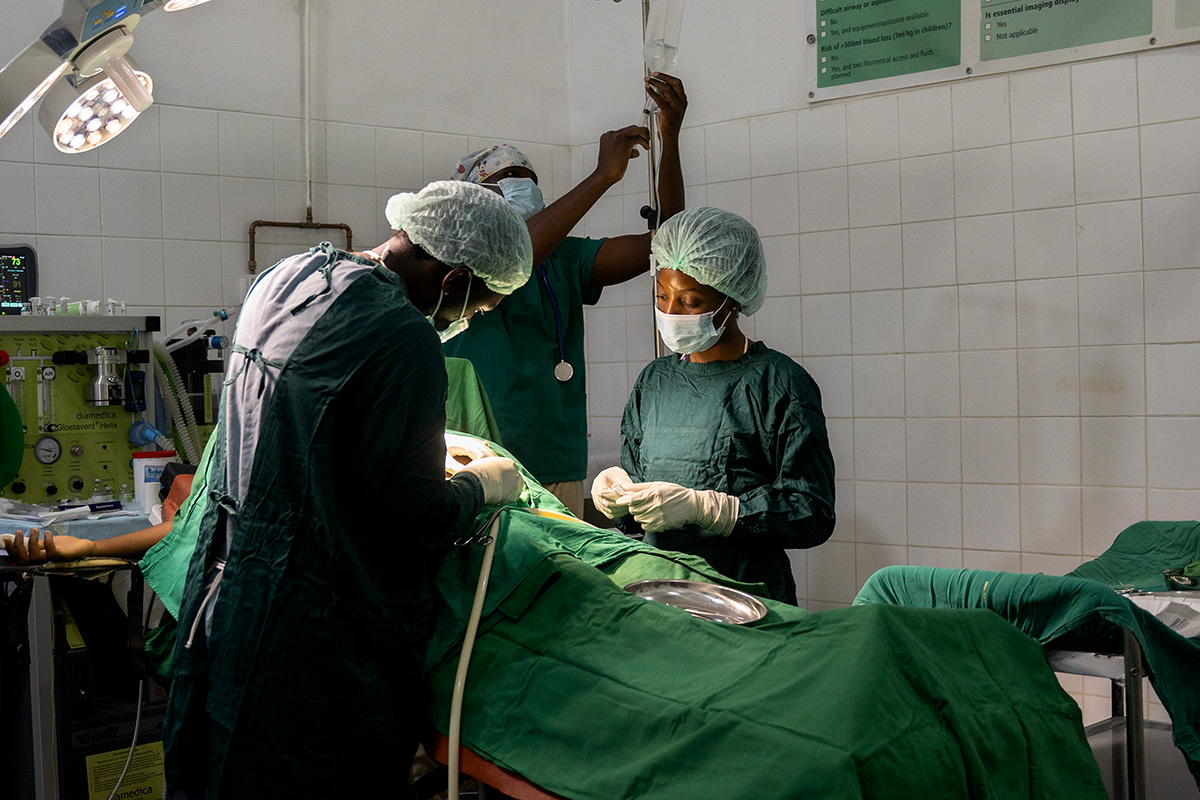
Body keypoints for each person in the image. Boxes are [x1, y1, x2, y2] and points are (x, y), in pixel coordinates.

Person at [163, 181, 533, 798]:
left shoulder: (284, 278)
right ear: (453, 278)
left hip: (227, 595)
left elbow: (309, 428)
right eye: (478, 306)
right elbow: (418, 515)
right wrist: (481, 486)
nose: (466, 320)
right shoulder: (404, 334)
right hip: (315, 634)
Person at [444, 73, 688, 517]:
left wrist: (669, 141)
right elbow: (514, 258)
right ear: (475, 195)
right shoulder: (460, 260)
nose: (524, 184)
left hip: (558, 461)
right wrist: (601, 177)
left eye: (528, 176)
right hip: (479, 465)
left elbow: (670, 241)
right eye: (508, 177)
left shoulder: (566, 258)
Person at [590, 207, 836, 605]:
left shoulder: (780, 383)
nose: (669, 313)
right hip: (657, 592)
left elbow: (811, 512)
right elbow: (639, 500)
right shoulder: (655, 381)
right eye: (662, 296)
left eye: (689, 301)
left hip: (742, 597)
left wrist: (711, 509)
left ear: (732, 300)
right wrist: (618, 495)